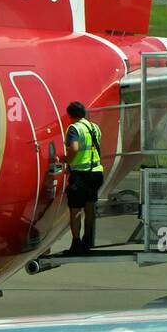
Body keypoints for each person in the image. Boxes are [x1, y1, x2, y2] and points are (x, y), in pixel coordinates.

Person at [63, 101, 103, 255]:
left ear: (70, 115)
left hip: (81, 174)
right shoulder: (94, 127)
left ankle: (76, 243)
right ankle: (87, 241)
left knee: (75, 210)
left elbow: (74, 148)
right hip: (96, 173)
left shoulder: (74, 128)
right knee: (90, 208)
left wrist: (67, 160)